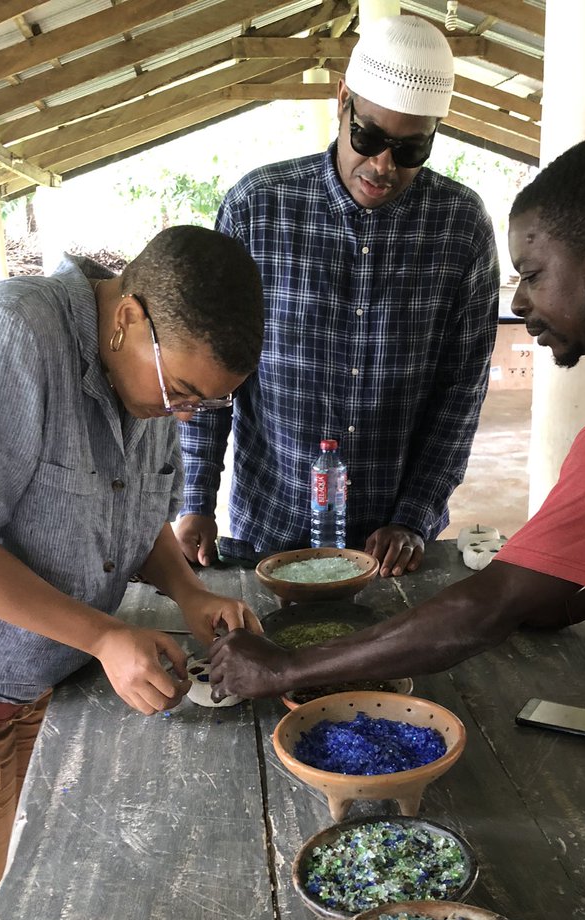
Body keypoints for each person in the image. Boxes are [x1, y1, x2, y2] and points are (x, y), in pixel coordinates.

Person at [210, 136, 585, 781]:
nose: (522, 302)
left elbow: (488, 607)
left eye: (532, 275)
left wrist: (282, 667)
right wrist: (536, 594)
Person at [0, 226, 265, 920]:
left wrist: (188, 589)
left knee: (42, 902)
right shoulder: (11, 338)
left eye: (208, 403)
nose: (186, 415)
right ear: (128, 318)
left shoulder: (144, 383)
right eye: (182, 393)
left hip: (43, 684)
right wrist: (109, 636)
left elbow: (131, 507)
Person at [176, 14, 499, 579]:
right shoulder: (258, 208)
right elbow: (207, 369)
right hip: (269, 532)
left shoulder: (461, 228)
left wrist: (414, 517)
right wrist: (196, 498)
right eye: (369, 137)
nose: (382, 166)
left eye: (409, 149)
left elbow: (459, 394)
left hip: (389, 549)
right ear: (343, 99)